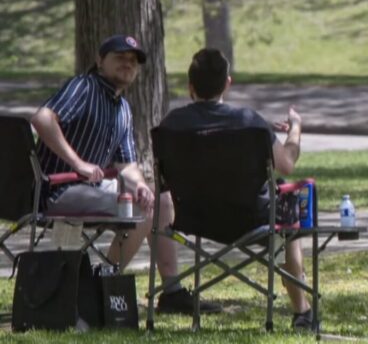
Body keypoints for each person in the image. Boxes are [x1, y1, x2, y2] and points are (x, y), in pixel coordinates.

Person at [31, 35, 217, 315]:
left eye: (133, 61)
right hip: (55, 190)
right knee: (142, 210)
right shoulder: (83, 86)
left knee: (159, 198)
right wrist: (78, 163)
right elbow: (42, 119)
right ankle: (103, 284)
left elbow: (126, 165)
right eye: (120, 57)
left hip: (87, 190)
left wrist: (141, 185)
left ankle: (172, 291)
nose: (127, 64)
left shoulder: (123, 108)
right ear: (100, 61)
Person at [158, 48, 315, 330]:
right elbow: (288, 164)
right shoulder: (250, 122)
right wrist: (295, 128)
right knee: (288, 202)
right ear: (227, 83)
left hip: (194, 219)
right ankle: (302, 311)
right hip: (252, 220)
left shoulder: (171, 125)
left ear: (190, 87)